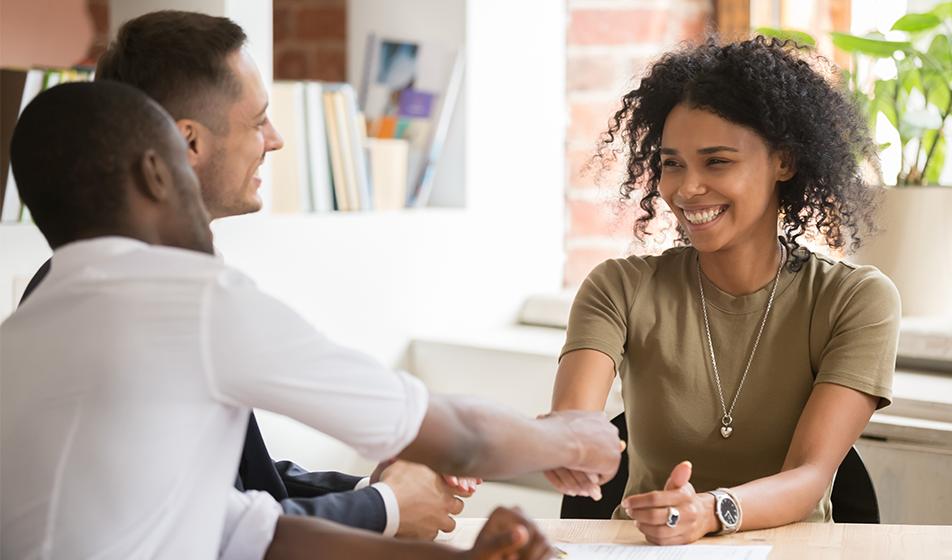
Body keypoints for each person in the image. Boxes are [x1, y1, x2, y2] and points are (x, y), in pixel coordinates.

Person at [1, 80, 619, 558]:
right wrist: (573, 437)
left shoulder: (22, 335)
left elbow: (247, 531)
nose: (273, 138)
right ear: (158, 172)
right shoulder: (188, 297)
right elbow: (458, 433)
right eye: (258, 118)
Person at [16, 10, 474, 540]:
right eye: (258, 121)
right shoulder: (138, 303)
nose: (275, 140)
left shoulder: (133, 281)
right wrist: (386, 507)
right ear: (188, 143)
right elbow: (214, 530)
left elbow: (244, 484)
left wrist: (371, 490)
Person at [547, 36, 901, 545]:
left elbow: (810, 475)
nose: (687, 188)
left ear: (784, 162)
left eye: (716, 162)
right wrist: (564, 444)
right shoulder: (618, 289)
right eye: (672, 163)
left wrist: (710, 511)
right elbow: (574, 422)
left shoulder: (854, 300)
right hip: (646, 553)